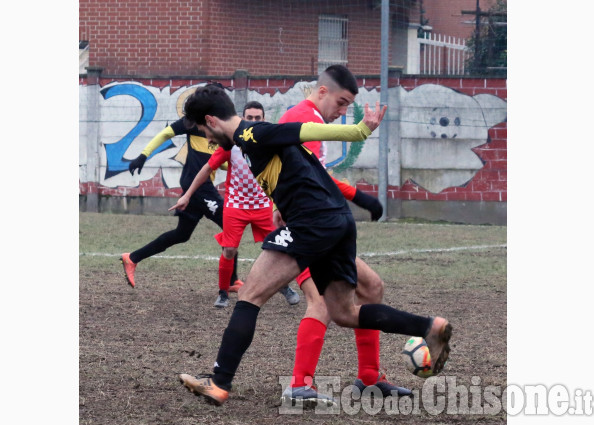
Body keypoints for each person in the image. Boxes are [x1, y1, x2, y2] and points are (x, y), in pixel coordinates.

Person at [170, 84, 452, 407]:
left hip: (314, 221)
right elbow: (303, 165)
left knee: (249, 294)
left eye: (203, 130)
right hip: (335, 221)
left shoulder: (251, 134)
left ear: (211, 120)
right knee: (344, 312)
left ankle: (219, 382)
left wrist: (360, 131)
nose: (206, 139)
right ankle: (429, 327)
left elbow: (304, 130)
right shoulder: (247, 141)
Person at [277, 65, 410, 406]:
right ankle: (299, 385)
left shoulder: (311, 121)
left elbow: (315, 176)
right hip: (305, 229)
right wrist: (360, 197)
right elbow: (303, 178)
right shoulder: (300, 120)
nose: (341, 112)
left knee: (371, 286)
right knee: (320, 301)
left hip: (318, 227)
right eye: (340, 103)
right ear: (322, 92)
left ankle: (369, 377)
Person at [120, 83, 240, 290]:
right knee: (230, 226)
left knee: (182, 234)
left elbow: (218, 161)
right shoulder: (193, 122)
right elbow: (165, 133)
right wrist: (143, 155)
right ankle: (231, 281)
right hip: (198, 186)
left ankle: (132, 257)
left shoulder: (218, 127)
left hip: (198, 184)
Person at [180, 101, 300, 308]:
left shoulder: (269, 142)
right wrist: (188, 194)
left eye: (258, 118)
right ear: (242, 118)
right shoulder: (231, 143)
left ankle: (283, 285)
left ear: (264, 119)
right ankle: (223, 292)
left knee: (280, 248)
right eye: (249, 117)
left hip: (263, 205)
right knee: (229, 249)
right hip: (235, 206)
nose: (253, 121)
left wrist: (282, 203)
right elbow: (207, 168)